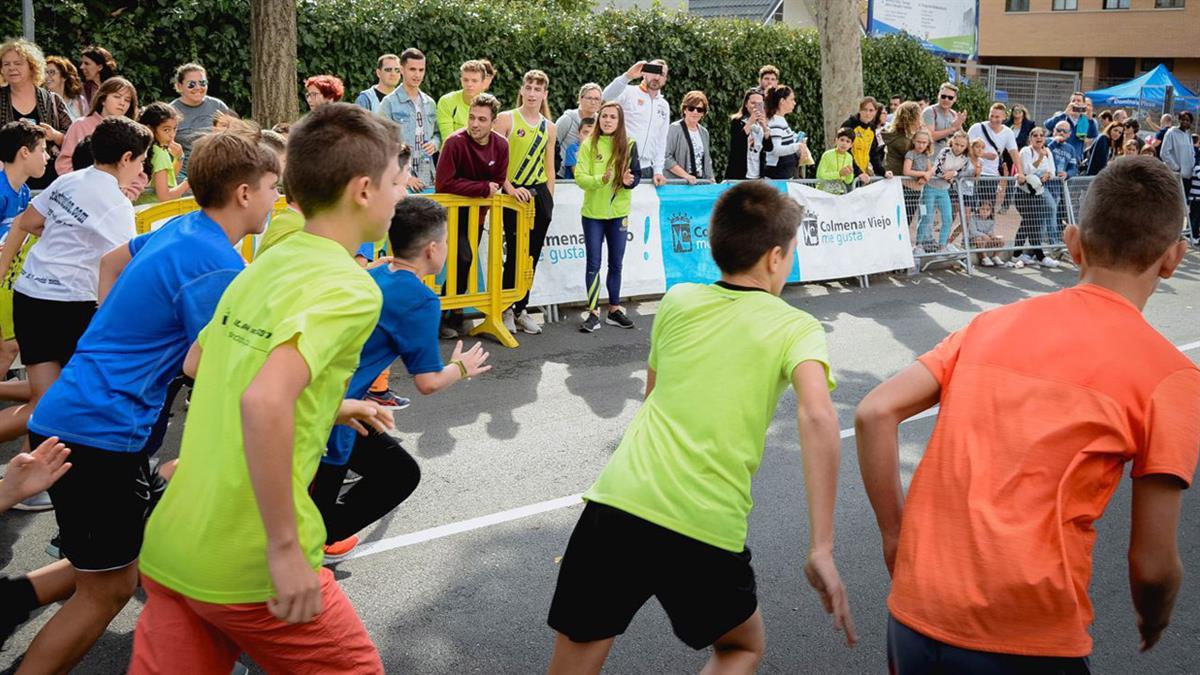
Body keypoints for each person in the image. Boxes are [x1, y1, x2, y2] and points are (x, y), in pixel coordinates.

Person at [856, 155, 1198, 673]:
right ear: (1173, 258)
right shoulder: (1170, 378)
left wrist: (895, 537)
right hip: (1026, 632)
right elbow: (1152, 566)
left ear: (1072, 242)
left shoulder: (989, 325)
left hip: (916, 614)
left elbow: (875, 411)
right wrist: (1154, 619)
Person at [131, 103, 404, 674]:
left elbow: (202, 361)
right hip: (251, 558)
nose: (401, 195)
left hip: (175, 541)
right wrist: (283, 548)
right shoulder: (353, 288)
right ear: (361, 190)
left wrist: (328, 404)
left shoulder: (259, 266)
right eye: (396, 181)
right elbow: (263, 398)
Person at [547, 181, 855, 673]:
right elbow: (818, 415)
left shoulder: (678, 300)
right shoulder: (797, 327)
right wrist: (821, 546)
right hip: (703, 522)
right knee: (742, 647)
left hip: (619, 502)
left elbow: (654, 395)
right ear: (776, 258)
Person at [10, 129, 278, 674]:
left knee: (116, 564)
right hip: (98, 431)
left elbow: (110, 265)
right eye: (275, 187)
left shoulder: (182, 226)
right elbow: (202, 364)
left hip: (84, 413)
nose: (279, 199)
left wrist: (117, 331)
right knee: (106, 591)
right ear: (245, 193)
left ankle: (9, 601)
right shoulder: (216, 265)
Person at [313, 197, 493, 561]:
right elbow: (427, 382)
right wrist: (460, 368)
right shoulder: (420, 299)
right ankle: (318, 539)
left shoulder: (377, 272)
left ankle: (321, 533)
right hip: (332, 414)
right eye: (445, 242)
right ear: (432, 249)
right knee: (396, 475)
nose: (445, 248)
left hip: (333, 403)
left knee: (395, 470)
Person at [434, 92, 508, 338]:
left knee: (463, 263)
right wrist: (480, 188)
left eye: (482, 119)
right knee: (462, 258)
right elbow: (443, 184)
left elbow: (497, 182)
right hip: (451, 214)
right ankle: (440, 315)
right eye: (472, 117)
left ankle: (452, 314)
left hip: (477, 214)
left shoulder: (501, 145)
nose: (475, 124)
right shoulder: (454, 142)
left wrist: (483, 189)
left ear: (493, 122)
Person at [494, 69, 556, 336]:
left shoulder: (549, 127)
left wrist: (549, 200)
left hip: (538, 194)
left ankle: (521, 309)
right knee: (515, 253)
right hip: (512, 194)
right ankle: (505, 308)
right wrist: (509, 188)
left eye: (537, 89)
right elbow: (495, 162)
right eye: (528, 87)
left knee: (531, 255)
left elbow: (549, 167)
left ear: (544, 94)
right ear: (522, 90)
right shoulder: (506, 119)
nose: (532, 93)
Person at [575, 101, 641, 333]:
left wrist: (628, 182)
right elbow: (580, 177)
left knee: (616, 263)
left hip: (618, 215)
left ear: (619, 121)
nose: (608, 120)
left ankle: (614, 309)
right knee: (593, 264)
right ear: (598, 119)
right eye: (604, 116)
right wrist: (601, 180)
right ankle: (593, 313)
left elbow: (637, 176)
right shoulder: (588, 145)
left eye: (613, 117)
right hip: (593, 214)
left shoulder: (630, 144)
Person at [0, 121, 45, 442]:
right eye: (43, 150)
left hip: (9, 280)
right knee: (7, 348)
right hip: (3, 278)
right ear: (24, 152)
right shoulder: (1, 190)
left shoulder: (25, 191)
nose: (48, 157)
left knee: (8, 346)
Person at [0, 39, 72, 190]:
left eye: (18, 63)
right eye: (6, 64)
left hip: (48, 180)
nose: (11, 68)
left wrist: (55, 136)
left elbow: (74, 139)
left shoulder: (52, 100)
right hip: (7, 182)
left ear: (32, 66)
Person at [378, 48, 439, 192]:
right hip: (400, 182)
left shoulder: (430, 103)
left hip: (427, 179)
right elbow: (382, 142)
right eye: (412, 69)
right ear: (402, 69)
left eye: (421, 70)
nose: (417, 75)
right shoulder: (389, 102)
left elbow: (437, 134)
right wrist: (405, 177)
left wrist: (434, 144)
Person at [603, 60, 670, 186]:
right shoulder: (628, 92)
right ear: (644, 73)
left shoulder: (664, 105)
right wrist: (627, 76)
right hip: (622, 164)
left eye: (662, 74)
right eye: (653, 71)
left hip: (647, 169)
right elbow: (605, 98)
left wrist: (658, 170)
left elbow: (661, 140)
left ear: (665, 79)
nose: (656, 77)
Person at [170, 63, 231, 178]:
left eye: (202, 83)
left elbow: (233, 137)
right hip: (183, 174)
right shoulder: (171, 111)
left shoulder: (218, 106)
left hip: (217, 171)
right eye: (191, 84)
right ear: (179, 86)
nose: (198, 87)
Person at [968, 102, 1027, 211]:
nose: (993, 119)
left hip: (991, 175)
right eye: (991, 116)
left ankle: (982, 228)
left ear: (1004, 117)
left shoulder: (1008, 132)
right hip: (973, 173)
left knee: (987, 209)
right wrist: (984, 154)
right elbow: (967, 148)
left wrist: (1020, 172)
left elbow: (1014, 152)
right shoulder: (977, 128)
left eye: (997, 117)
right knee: (969, 209)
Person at [1014, 128, 1059, 269]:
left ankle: (1023, 254)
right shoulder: (1026, 151)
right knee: (1029, 222)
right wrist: (1040, 158)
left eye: (1041, 135)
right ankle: (1032, 255)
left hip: (1038, 191)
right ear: (1030, 138)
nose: (1039, 138)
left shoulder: (1048, 151)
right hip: (1023, 192)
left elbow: (1052, 170)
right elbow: (1027, 171)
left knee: (1032, 223)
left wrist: (1047, 175)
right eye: (1035, 135)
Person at [921, 130, 971, 253]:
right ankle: (918, 246)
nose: (958, 148)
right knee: (926, 217)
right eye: (957, 144)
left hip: (944, 190)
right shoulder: (945, 152)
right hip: (931, 187)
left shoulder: (965, 158)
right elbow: (937, 169)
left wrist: (953, 173)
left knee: (948, 218)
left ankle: (942, 246)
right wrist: (947, 175)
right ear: (952, 142)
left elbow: (964, 172)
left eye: (962, 145)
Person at [135, 102, 189, 204]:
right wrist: (189, 183)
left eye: (174, 129)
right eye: (166, 130)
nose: (172, 135)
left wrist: (179, 158)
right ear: (150, 129)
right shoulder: (160, 154)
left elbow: (168, 180)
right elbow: (165, 197)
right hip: (155, 213)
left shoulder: (148, 149)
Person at [883, 102, 923, 226]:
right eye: (918, 117)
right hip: (902, 185)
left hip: (898, 183)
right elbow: (917, 160)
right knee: (902, 223)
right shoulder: (903, 141)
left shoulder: (896, 136)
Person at [664, 91, 714, 184]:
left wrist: (711, 179)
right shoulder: (675, 128)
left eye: (699, 109)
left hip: (700, 183)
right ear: (684, 110)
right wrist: (686, 176)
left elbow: (707, 160)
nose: (695, 112)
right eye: (691, 108)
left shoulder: (704, 132)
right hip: (678, 184)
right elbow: (667, 158)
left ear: (703, 113)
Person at [436, 60, 490, 142]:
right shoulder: (447, 101)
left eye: (474, 81)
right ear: (461, 80)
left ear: (483, 82)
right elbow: (448, 140)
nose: (469, 84)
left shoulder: (489, 104)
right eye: (465, 80)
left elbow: (489, 139)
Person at [555, 83, 602, 177]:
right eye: (589, 98)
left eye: (597, 99)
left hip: (591, 176)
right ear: (580, 98)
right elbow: (551, 144)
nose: (593, 102)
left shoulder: (600, 122)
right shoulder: (567, 119)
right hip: (563, 176)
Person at [724, 89, 770, 181]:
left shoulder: (763, 122)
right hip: (739, 174)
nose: (756, 107)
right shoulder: (737, 121)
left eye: (759, 104)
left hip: (758, 175)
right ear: (746, 104)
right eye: (753, 103)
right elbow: (737, 144)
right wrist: (750, 122)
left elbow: (769, 147)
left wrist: (765, 128)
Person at [763, 85, 807, 179]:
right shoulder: (775, 122)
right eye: (791, 99)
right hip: (777, 176)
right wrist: (798, 146)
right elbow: (776, 150)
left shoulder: (780, 120)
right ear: (782, 101)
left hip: (784, 174)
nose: (794, 103)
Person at [839, 96, 888, 182]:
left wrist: (882, 172)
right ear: (860, 110)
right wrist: (858, 172)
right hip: (847, 174)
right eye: (865, 110)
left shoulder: (871, 128)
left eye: (871, 110)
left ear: (875, 112)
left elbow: (873, 153)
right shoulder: (849, 125)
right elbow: (844, 151)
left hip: (863, 174)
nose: (867, 113)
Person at [903, 130, 936, 253]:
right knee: (904, 219)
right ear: (913, 141)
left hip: (917, 191)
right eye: (919, 142)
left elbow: (930, 171)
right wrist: (923, 174)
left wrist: (925, 177)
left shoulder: (925, 156)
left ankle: (909, 245)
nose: (921, 145)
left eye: (924, 142)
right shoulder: (910, 154)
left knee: (911, 218)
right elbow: (907, 171)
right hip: (907, 190)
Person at [1047, 120, 1081, 235]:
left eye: (1064, 131)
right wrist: (1054, 143)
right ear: (1053, 131)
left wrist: (1067, 174)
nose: (1061, 133)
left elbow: (1073, 167)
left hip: (1058, 186)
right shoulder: (1047, 142)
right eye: (1058, 130)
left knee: (1055, 211)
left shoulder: (1070, 149)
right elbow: (1043, 154)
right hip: (1045, 183)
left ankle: (1053, 238)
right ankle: (1049, 238)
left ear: (1069, 134)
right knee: (1046, 210)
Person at [1043, 91, 1096, 157]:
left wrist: (1090, 119)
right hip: (1058, 155)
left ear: (1083, 104)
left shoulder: (1084, 120)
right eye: (1073, 100)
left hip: (1075, 158)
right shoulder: (1062, 116)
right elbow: (1048, 125)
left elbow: (1092, 135)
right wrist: (1065, 113)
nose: (1076, 102)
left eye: (1079, 101)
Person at [922, 82, 967, 155]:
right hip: (930, 159)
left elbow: (962, 139)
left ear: (955, 99)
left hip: (947, 160)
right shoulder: (929, 111)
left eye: (950, 98)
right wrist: (952, 129)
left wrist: (959, 128)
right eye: (943, 96)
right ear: (938, 96)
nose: (946, 100)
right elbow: (929, 136)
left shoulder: (954, 114)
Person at [1159, 112, 1195, 193]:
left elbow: (1192, 153)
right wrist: (1176, 168)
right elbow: (1164, 153)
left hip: (1188, 176)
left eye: (1187, 120)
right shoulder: (1171, 133)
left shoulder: (1188, 134)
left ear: (1190, 122)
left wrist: (1192, 166)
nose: (1185, 122)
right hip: (1176, 176)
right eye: (1183, 119)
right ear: (1179, 120)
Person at [43, 56, 87, 120]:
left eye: (52, 72)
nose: (46, 76)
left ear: (64, 77)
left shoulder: (79, 101)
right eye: (45, 72)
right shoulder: (43, 103)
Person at [815, 127, 857, 194]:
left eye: (848, 141)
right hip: (822, 193)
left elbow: (848, 181)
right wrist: (839, 174)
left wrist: (850, 173)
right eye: (842, 140)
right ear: (836, 140)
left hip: (837, 194)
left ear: (851, 145)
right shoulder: (827, 155)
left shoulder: (849, 157)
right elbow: (820, 175)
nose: (844, 143)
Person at [966, 200, 1004, 268]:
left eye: (987, 210)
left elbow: (990, 231)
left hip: (986, 239)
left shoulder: (991, 220)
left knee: (1000, 240)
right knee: (979, 239)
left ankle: (995, 257)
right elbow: (973, 232)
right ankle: (985, 258)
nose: (985, 211)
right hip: (974, 240)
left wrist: (992, 236)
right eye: (983, 209)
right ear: (978, 209)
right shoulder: (973, 218)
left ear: (990, 211)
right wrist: (984, 235)